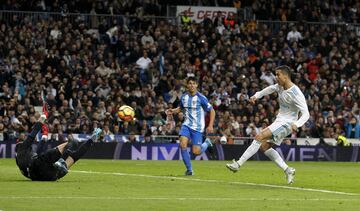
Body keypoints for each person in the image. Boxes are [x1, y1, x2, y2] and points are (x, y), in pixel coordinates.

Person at [226, 65, 310, 184]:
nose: (276, 77)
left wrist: (297, 124)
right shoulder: (280, 87)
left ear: (285, 77)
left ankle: (238, 164)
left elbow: (306, 113)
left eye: (278, 75)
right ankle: (288, 170)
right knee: (264, 146)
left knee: (259, 137)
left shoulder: (296, 93)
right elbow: (270, 89)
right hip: (279, 121)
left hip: (288, 124)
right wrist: (256, 95)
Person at [15, 114, 102, 181]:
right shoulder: (22, 148)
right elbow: (32, 135)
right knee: (73, 143)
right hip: (46, 171)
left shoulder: (21, 160)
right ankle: (62, 160)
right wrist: (41, 120)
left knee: (73, 156)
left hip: (44, 176)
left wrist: (44, 138)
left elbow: (37, 153)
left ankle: (62, 161)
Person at [165, 77, 215, 176]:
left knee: (196, 152)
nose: (192, 85)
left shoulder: (201, 98)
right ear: (187, 85)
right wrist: (173, 110)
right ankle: (189, 170)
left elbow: (212, 110)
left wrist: (210, 125)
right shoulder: (184, 97)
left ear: (196, 85)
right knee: (182, 144)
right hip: (186, 125)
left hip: (197, 128)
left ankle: (207, 143)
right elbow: (180, 108)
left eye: (194, 83)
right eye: (190, 83)